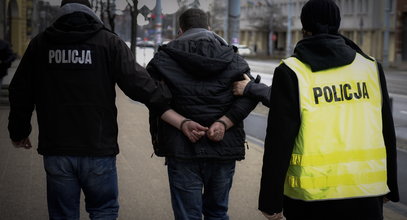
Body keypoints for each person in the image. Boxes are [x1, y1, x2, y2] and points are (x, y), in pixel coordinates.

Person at [7, 0, 176, 219]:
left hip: (57, 148)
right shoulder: (109, 42)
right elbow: (138, 84)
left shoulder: (40, 45)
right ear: (91, 12)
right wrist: (172, 98)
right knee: (103, 211)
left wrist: (18, 132)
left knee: (62, 214)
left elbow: (21, 90)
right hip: (98, 148)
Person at [258, 0, 399, 220]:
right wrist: (390, 184)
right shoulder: (370, 67)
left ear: (304, 27)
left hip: (310, 198)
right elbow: (386, 131)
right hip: (366, 193)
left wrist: (270, 200)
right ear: (338, 24)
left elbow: (279, 140)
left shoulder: (292, 71)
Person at [147, 8, 258, 220]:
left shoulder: (163, 59)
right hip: (223, 149)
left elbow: (151, 97)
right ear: (209, 29)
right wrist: (224, 123)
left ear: (180, 31)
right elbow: (250, 95)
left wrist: (181, 123)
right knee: (217, 213)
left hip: (181, 150)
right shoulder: (233, 59)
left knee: (187, 216)